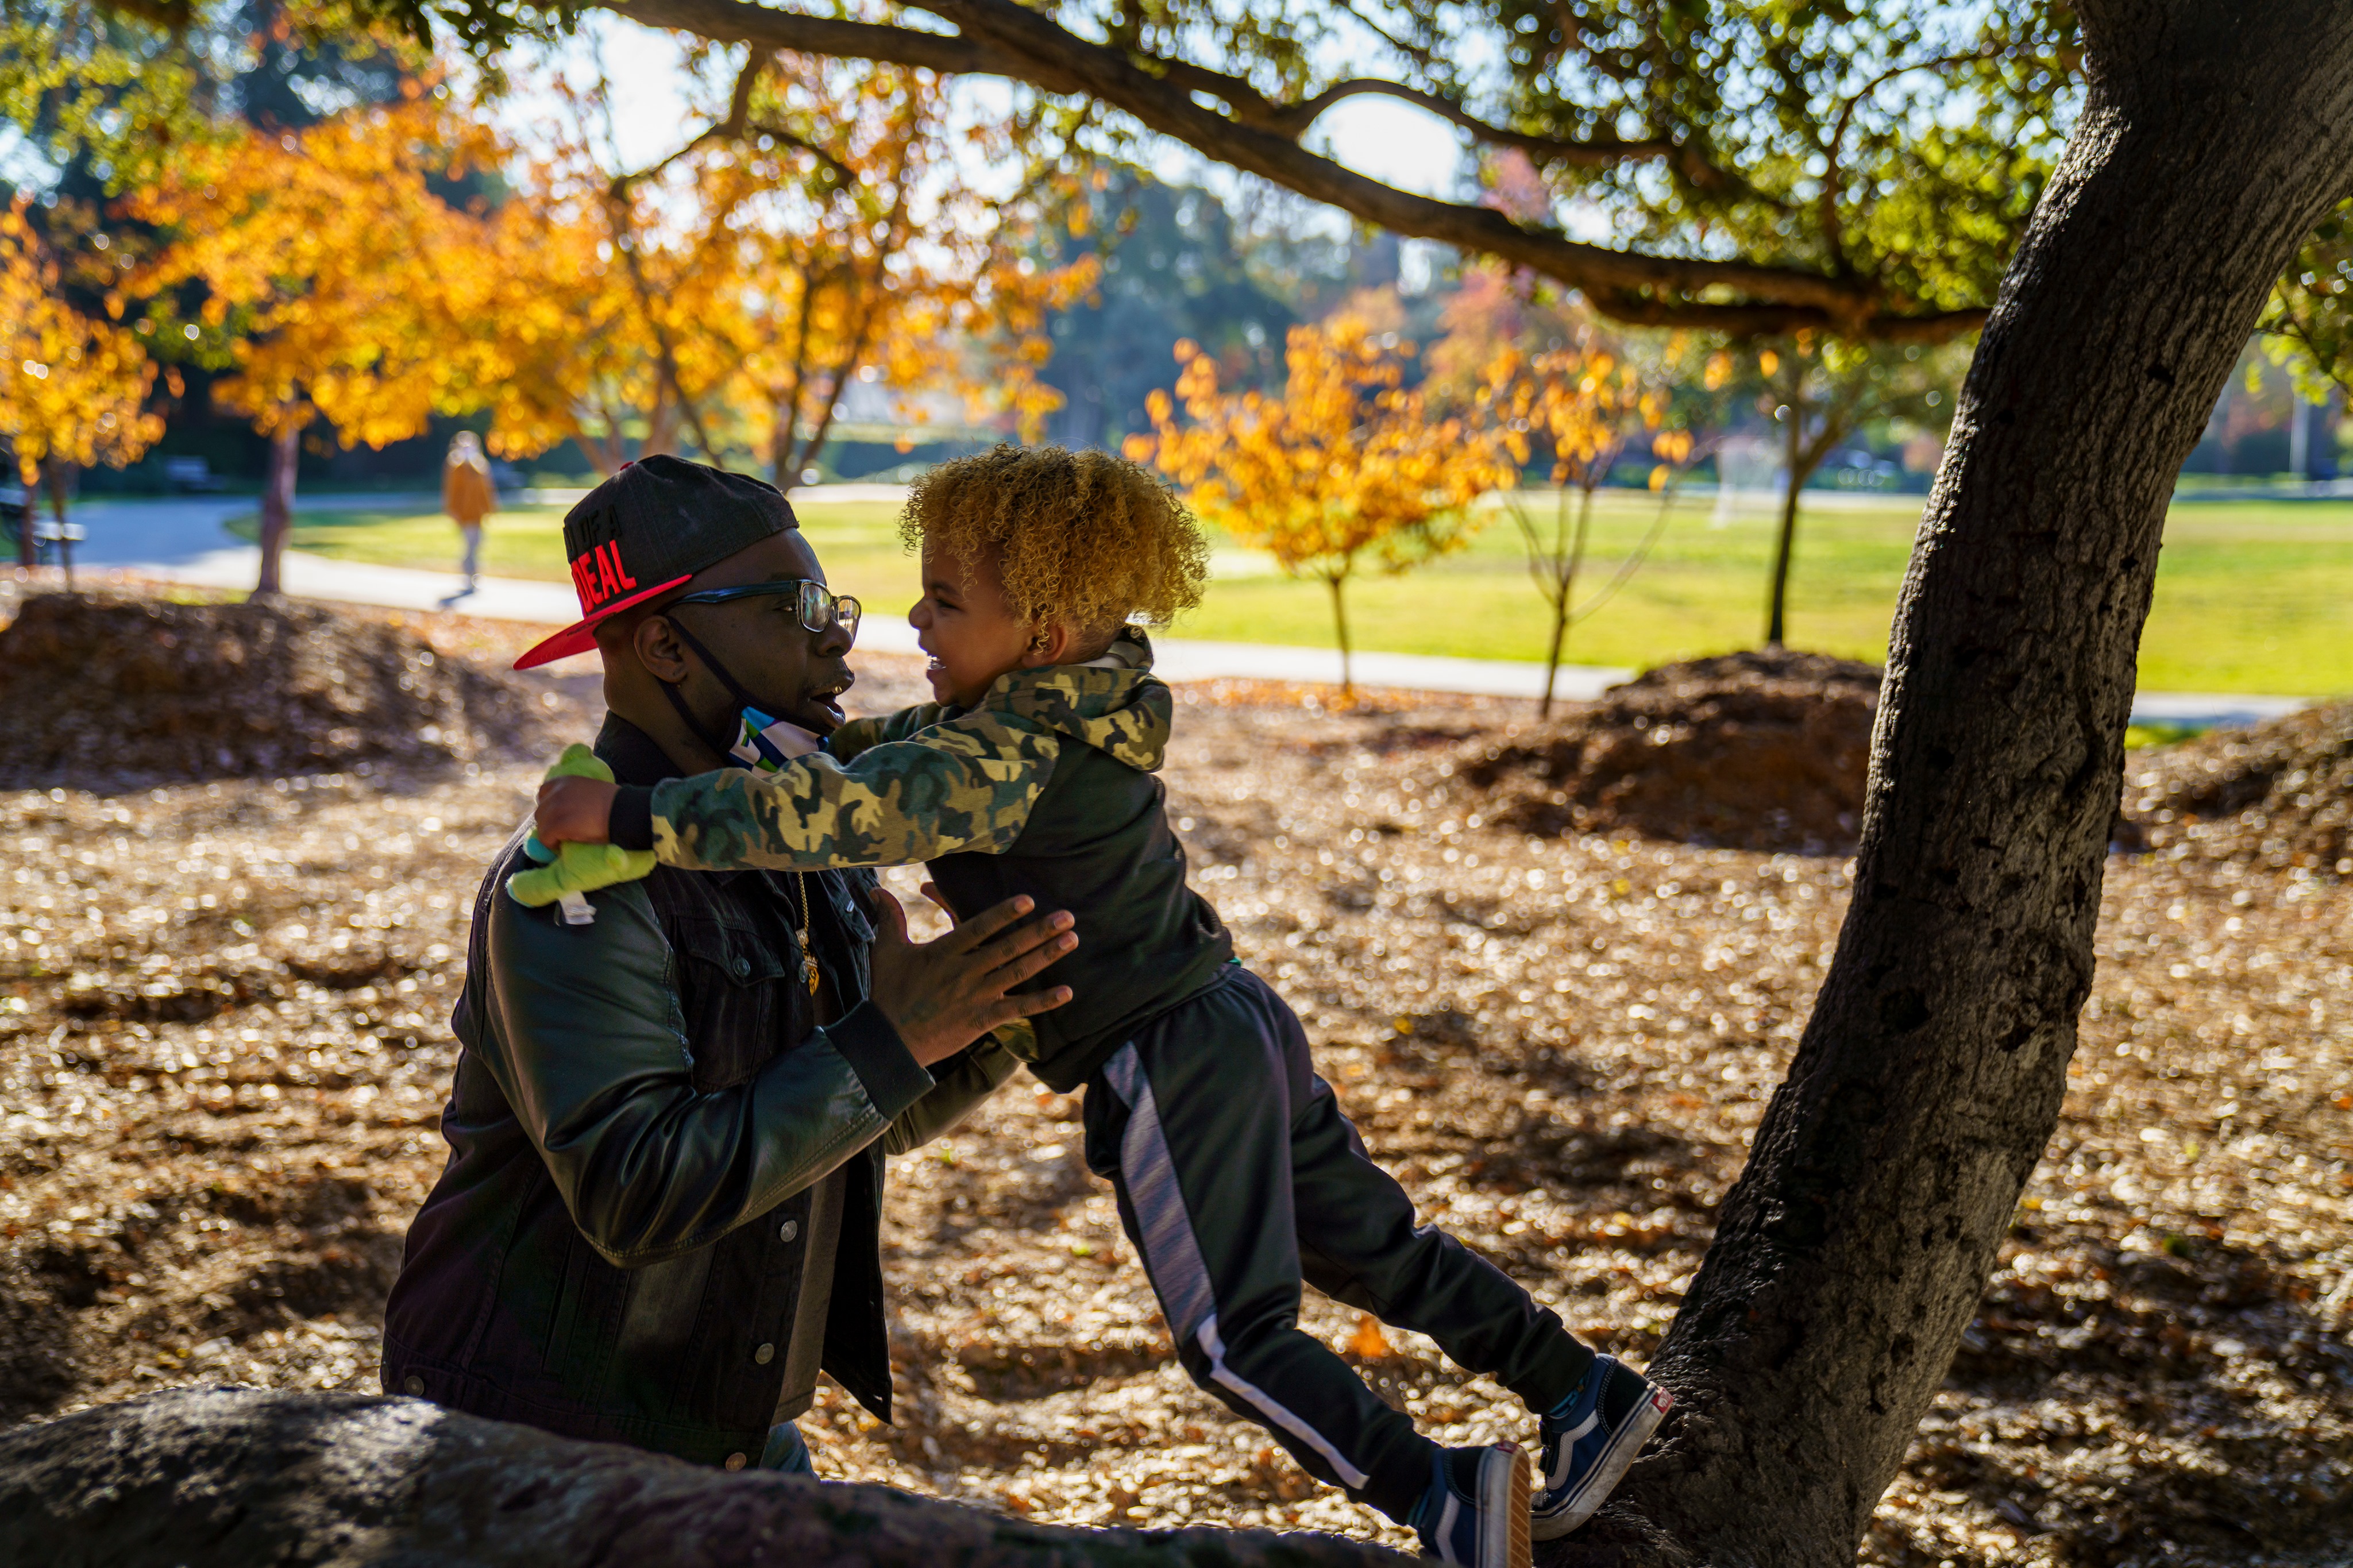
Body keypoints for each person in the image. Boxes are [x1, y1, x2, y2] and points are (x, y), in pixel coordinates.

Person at [530, 446, 1673, 1567]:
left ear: (1035, 632)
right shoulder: (1054, 715)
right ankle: (1581, 1390)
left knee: (1232, 1341)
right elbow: (864, 759)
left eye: (940, 601)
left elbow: (850, 813)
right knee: (1380, 1246)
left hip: (1162, 1056)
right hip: (1235, 1018)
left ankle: (1439, 1495)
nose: (910, 627)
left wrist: (634, 814)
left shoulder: (1000, 757)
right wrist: (807, 768)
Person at [381, 455, 1080, 1475]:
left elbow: (865, 1113)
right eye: (798, 608)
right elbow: (638, 1191)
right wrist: (896, 1036)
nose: (838, 644)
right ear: (666, 644)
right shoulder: (573, 888)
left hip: (731, 1439)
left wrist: (1017, 996)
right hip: (533, 1446)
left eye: (830, 604)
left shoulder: (799, 844)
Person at [443, 430, 496, 593]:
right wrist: (454, 511)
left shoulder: (480, 465)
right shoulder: (456, 467)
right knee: (471, 543)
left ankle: (471, 572)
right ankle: (470, 573)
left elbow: (486, 490)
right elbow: (452, 491)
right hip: (465, 514)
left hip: (478, 513)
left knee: (477, 543)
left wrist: (489, 508)